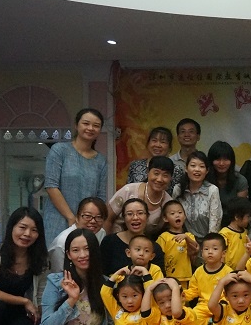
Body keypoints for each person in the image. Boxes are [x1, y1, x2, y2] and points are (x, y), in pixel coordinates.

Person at [43, 108, 108, 245]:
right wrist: (71, 218)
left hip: (88, 223)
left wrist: (92, 220)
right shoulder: (59, 150)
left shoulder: (101, 161)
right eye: (86, 123)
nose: (90, 128)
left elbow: (100, 197)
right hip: (57, 220)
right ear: (76, 125)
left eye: (96, 125)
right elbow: (51, 186)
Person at [183, 233, 233, 325]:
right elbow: (193, 290)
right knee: (194, 316)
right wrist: (184, 295)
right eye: (206, 249)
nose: (210, 252)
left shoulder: (228, 272)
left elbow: (231, 292)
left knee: (220, 321)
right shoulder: (199, 271)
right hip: (203, 305)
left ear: (223, 253)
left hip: (221, 304)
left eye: (215, 249)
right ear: (201, 252)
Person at [105, 156, 174, 239]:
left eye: (165, 175)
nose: (159, 179)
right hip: (117, 240)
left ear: (171, 178)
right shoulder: (128, 190)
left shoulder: (168, 203)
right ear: (148, 172)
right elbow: (108, 219)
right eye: (156, 173)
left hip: (146, 244)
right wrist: (106, 242)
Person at [100, 198, 164, 276]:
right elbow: (101, 274)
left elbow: (160, 279)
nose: (135, 218)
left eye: (140, 213)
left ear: (147, 216)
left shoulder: (154, 247)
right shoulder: (109, 242)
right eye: (130, 214)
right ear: (124, 218)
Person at [172, 151, 222, 240]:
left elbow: (215, 223)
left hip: (206, 242)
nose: (197, 169)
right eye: (193, 165)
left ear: (207, 171)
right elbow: (172, 216)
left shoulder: (212, 190)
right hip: (182, 240)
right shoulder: (178, 189)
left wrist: (207, 245)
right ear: (186, 168)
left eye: (202, 166)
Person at [48, 197, 107, 273]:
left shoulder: (101, 233)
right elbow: (57, 274)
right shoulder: (62, 242)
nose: (93, 221)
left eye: (99, 217)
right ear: (77, 217)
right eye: (87, 216)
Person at [155, 201, 198, 288]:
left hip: (186, 277)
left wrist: (186, 238)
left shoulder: (189, 236)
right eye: (172, 213)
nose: (177, 215)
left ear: (185, 216)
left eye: (180, 212)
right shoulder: (164, 237)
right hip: (168, 278)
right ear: (165, 218)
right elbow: (158, 256)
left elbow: (196, 248)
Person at [126, 127, 184, 191]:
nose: (158, 145)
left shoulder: (176, 170)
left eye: (163, 142)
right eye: (154, 140)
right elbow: (128, 190)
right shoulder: (135, 165)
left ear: (169, 147)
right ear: (148, 143)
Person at [207, 140, 249, 210]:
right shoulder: (204, 179)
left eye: (225, 159)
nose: (221, 163)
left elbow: (240, 210)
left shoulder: (240, 180)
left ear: (232, 161)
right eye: (218, 159)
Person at [218, 197, 251, 270]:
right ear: (237, 217)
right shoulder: (225, 234)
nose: (250, 219)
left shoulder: (246, 233)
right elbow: (220, 255)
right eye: (248, 216)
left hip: (245, 271)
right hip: (229, 272)